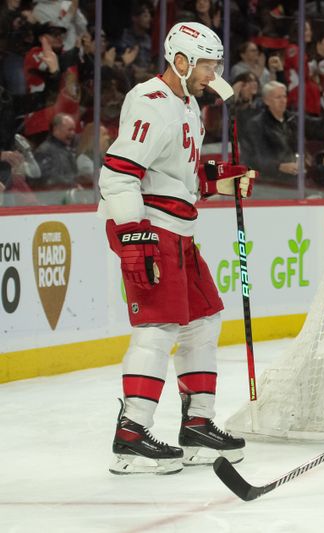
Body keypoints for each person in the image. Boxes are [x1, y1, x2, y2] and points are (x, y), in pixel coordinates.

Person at [98, 21, 255, 475]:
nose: (212, 72)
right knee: (159, 326)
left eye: (215, 64)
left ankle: (197, 425)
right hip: (152, 227)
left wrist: (212, 181)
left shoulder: (187, 104)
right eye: (206, 63)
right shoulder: (151, 103)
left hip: (180, 229)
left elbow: (174, 174)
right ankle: (130, 435)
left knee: (205, 319)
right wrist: (132, 235)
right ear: (180, 61)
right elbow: (120, 173)